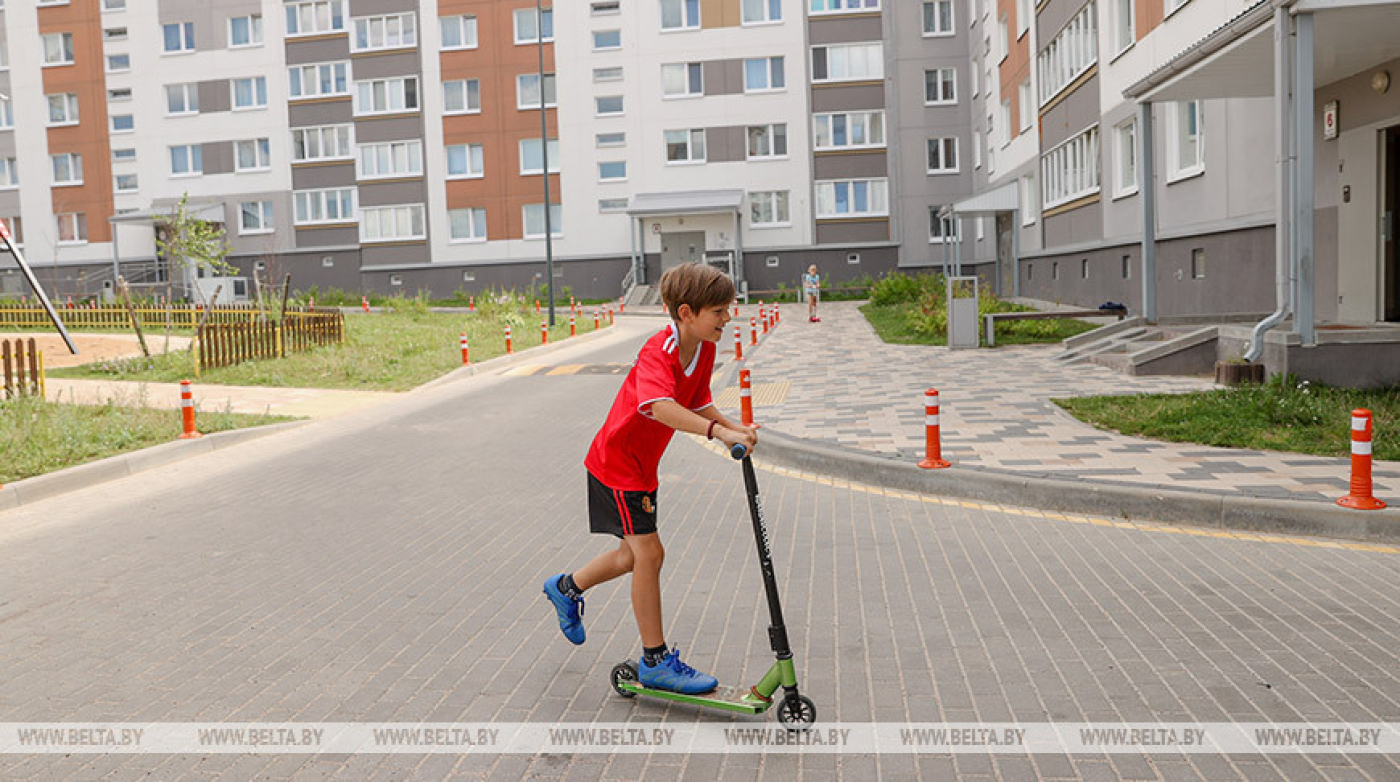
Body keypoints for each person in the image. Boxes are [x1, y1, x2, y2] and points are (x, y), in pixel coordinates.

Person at [543, 263, 759, 694]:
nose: (728, 318)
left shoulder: (703, 347)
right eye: (719, 311)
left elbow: (695, 402)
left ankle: (565, 587)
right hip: (617, 464)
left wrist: (734, 426)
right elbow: (660, 406)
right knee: (650, 554)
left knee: (630, 556)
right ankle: (655, 660)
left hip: (641, 467)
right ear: (686, 312)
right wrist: (720, 433)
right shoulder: (657, 351)